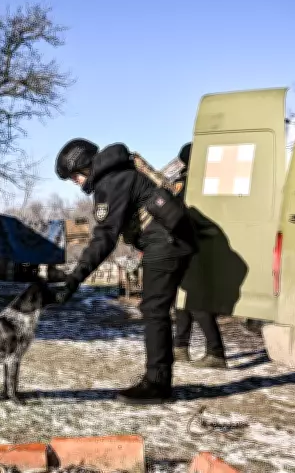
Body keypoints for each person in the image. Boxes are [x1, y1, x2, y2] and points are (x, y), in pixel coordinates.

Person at [56, 139, 197, 404]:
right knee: (158, 309)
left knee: (154, 310)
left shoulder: (110, 182)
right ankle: (159, 377)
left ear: (84, 166)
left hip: (165, 243)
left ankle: (157, 384)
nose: (76, 182)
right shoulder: (121, 171)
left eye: (74, 176)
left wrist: (73, 280)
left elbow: (105, 238)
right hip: (171, 240)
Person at [170, 142, 228, 369]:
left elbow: (179, 209)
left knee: (194, 299)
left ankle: (216, 352)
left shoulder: (190, 183)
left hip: (192, 245)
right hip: (197, 244)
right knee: (182, 298)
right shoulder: (205, 181)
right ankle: (180, 347)